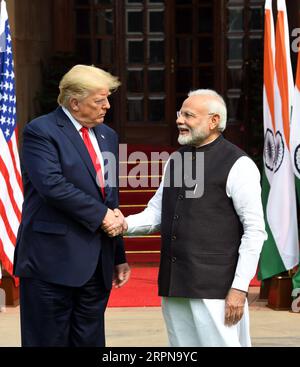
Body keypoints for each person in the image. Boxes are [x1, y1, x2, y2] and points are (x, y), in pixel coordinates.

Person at [106, 89, 267, 347]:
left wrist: (239, 287)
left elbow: (255, 231)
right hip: (174, 284)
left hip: (217, 289)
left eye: (189, 115)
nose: (180, 120)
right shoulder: (176, 160)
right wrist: (123, 223)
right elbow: (157, 213)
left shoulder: (239, 164)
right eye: (180, 114)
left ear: (214, 121)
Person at [13, 65, 130, 347]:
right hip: (51, 263)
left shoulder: (107, 136)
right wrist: (102, 215)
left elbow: (109, 198)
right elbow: (52, 185)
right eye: (99, 100)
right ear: (74, 102)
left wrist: (117, 254)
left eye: (107, 98)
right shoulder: (41, 131)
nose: (107, 106)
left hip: (96, 265)